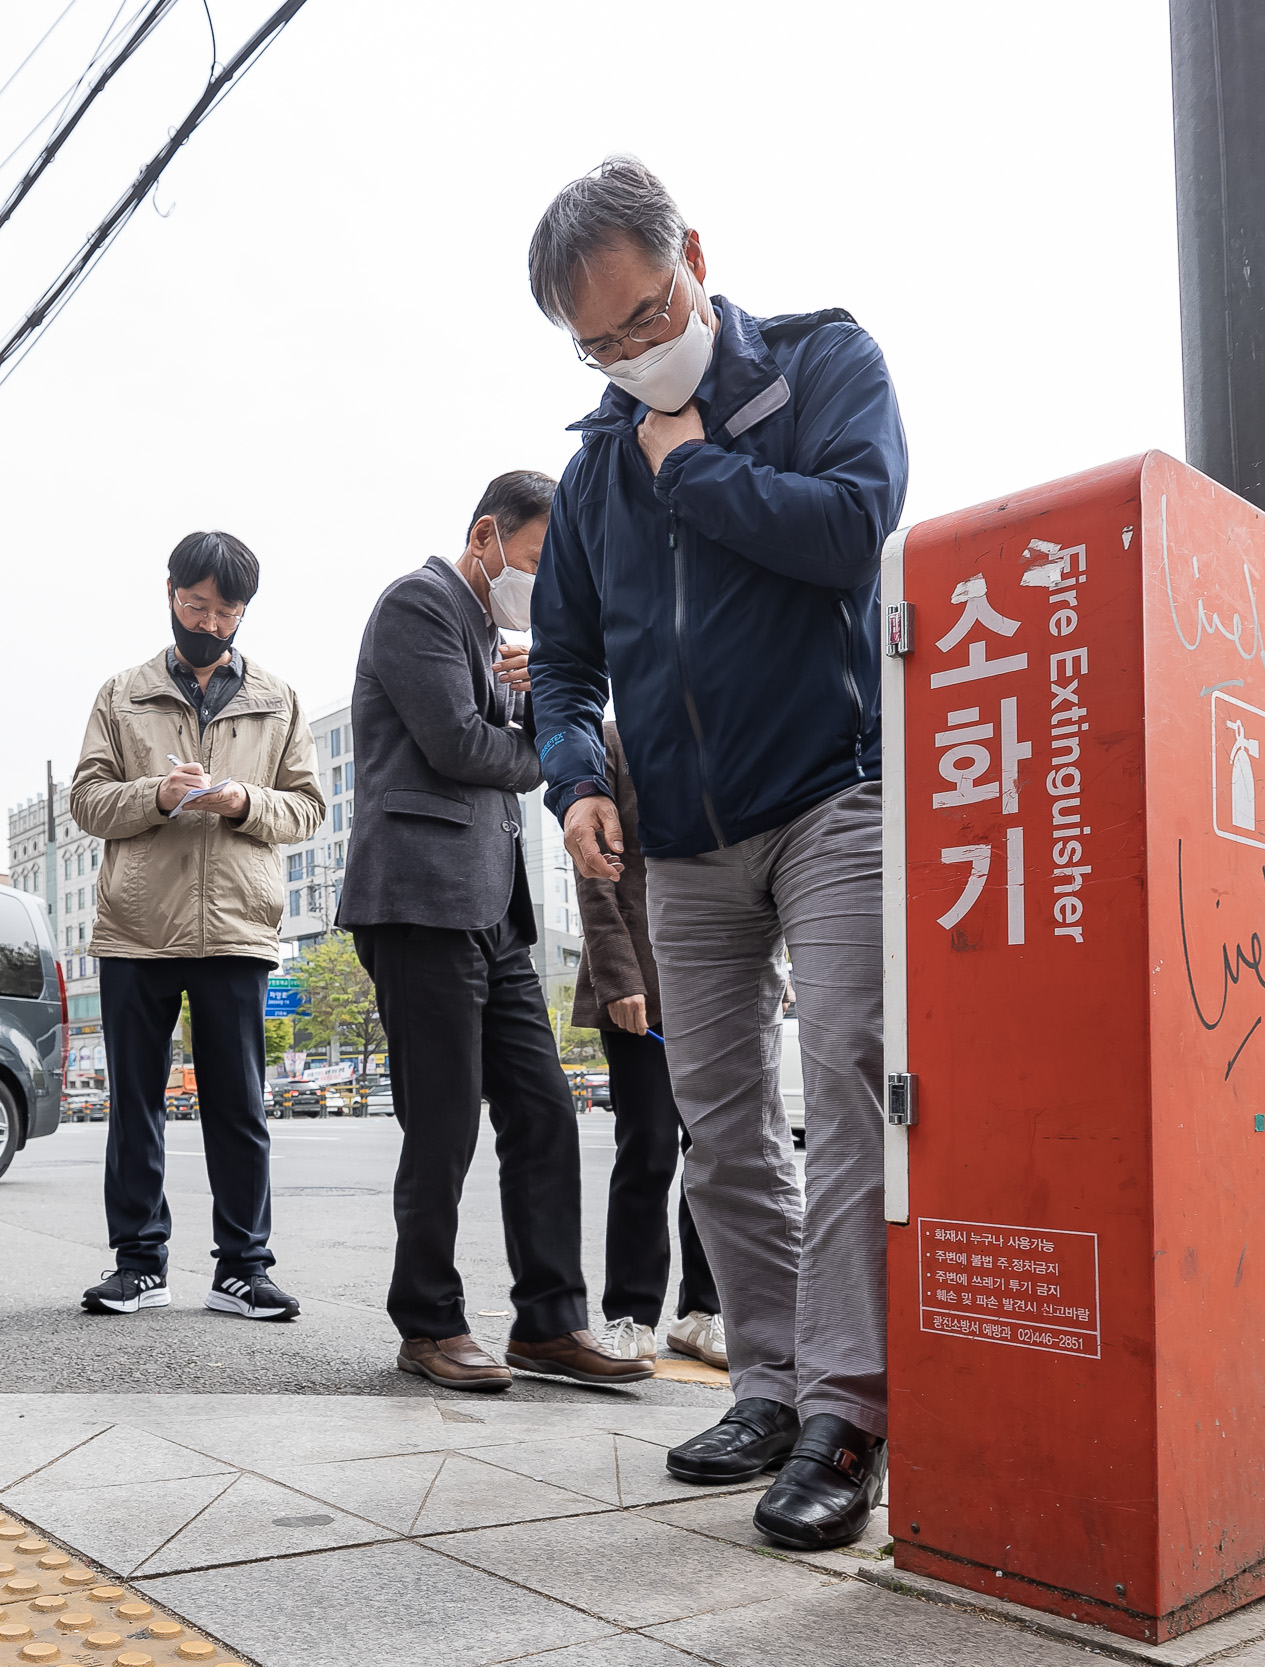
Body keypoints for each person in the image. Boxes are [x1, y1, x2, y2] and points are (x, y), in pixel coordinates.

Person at [526, 157, 908, 1548]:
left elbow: (855, 527)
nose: (635, 355)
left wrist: (696, 469)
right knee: (721, 1125)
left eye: (648, 315)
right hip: (681, 838)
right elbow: (561, 668)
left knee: (850, 1079)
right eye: (603, 344)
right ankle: (766, 1379)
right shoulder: (588, 470)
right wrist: (573, 780)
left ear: (691, 250)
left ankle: (849, 1409)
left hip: (832, 794)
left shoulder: (817, 366)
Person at [339, 469, 651, 1393]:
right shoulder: (418, 604)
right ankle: (428, 1322)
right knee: (441, 1122)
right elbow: (458, 746)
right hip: (418, 900)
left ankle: (549, 1323)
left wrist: (527, 694)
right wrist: (548, 748)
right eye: (536, 560)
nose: (543, 584)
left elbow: (498, 719)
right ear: (486, 537)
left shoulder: (492, 634)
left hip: (490, 910)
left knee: (545, 1112)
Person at [69, 532, 325, 1321]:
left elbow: (309, 808)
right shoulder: (122, 693)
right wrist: (156, 793)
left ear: (244, 612)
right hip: (137, 926)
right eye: (196, 604)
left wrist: (243, 802)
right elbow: (85, 800)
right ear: (170, 591)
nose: (209, 622)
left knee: (238, 1104)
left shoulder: (279, 699)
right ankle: (139, 1262)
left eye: (226, 611)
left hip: (239, 928)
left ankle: (243, 1266)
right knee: (136, 1102)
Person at [573, 721, 724, 1369]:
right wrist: (618, 973)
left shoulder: (733, 728)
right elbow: (595, 869)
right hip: (643, 983)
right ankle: (630, 1312)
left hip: (722, 976)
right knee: (650, 1147)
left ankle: (706, 1311)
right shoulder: (611, 738)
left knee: (719, 1152)